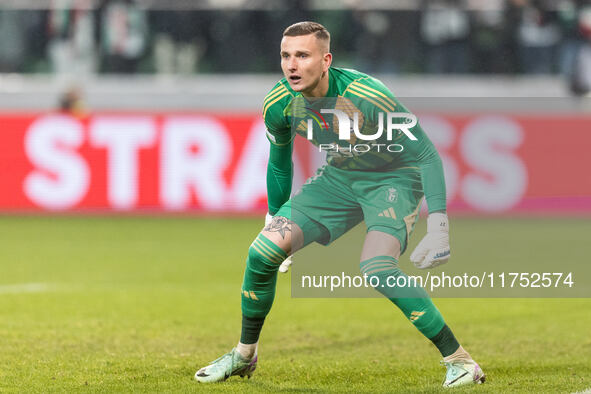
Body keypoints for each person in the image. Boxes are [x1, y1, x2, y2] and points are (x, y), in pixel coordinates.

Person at [195, 21, 485, 388]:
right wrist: (273, 217)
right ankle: (244, 356)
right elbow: (279, 161)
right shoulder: (280, 102)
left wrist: (440, 225)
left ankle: (460, 361)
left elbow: (426, 154)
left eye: (302, 55)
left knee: (377, 267)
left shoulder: (367, 95)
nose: (291, 65)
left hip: (393, 178)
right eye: (286, 55)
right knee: (261, 252)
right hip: (340, 177)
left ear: (326, 59)